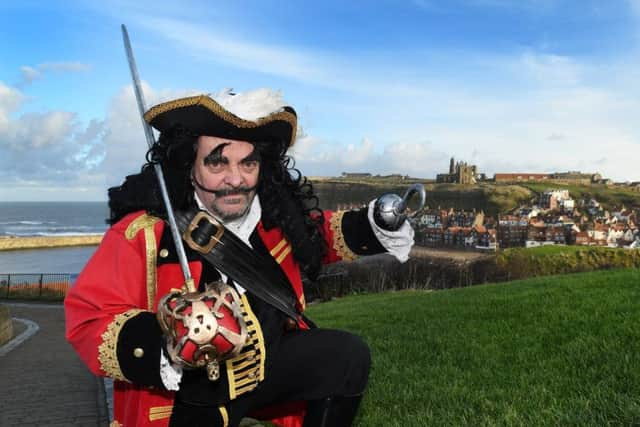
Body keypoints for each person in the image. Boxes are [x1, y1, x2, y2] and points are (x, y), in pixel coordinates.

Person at [65, 89, 414, 427]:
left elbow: (318, 235)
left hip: (266, 364)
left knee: (346, 357)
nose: (235, 179)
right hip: (191, 395)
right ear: (190, 165)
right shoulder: (143, 234)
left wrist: (375, 222)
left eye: (248, 163)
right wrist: (169, 341)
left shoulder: (273, 217)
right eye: (217, 162)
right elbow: (88, 318)